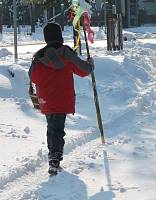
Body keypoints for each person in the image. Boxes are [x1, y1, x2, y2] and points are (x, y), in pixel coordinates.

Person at [28, 22, 94, 175]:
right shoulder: (65, 53)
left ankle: (54, 157)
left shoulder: (39, 56)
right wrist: (90, 65)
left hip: (46, 100)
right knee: (56, 130)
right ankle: (54, 160)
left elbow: (33, 76)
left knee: (53, 128)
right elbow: (83, 70)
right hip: (62, 99)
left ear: (46, 38)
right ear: (59, 36)